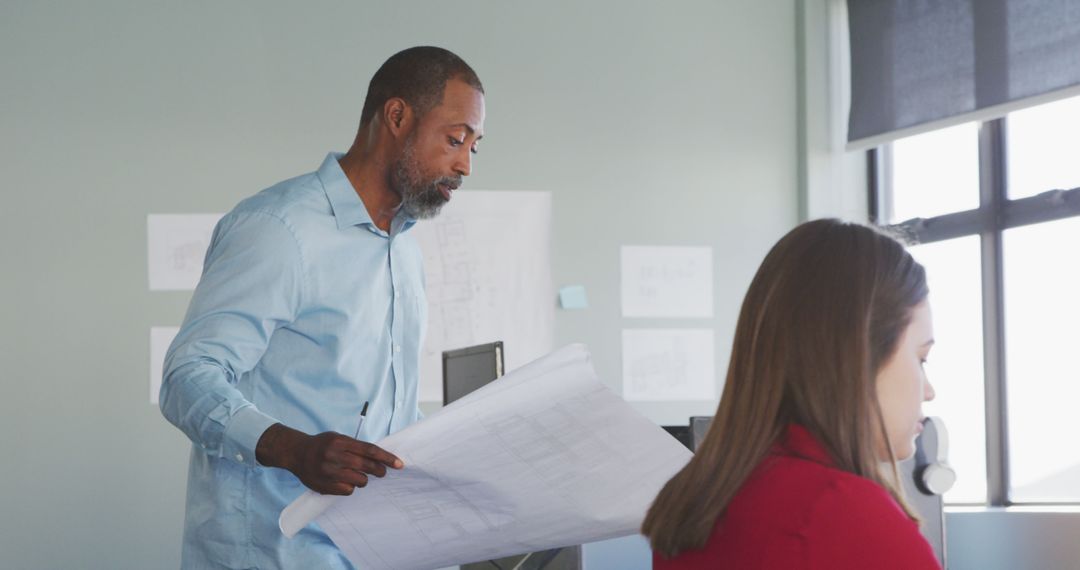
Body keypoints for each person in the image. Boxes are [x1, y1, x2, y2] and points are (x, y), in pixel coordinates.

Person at [159, 46, 485, 569]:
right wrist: (293, 449)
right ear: (397, 117)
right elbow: (186, 377)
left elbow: (378, 409)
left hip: (367, 551)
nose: (465, 164)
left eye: (475, 146)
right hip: (270, 554)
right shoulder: (279, 229)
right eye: (455, 139)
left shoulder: (403, 248)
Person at [643, 219, 942, 569]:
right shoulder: (842, 512)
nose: (929, 391)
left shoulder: (698, 501)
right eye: (922, 358)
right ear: (860, 356)